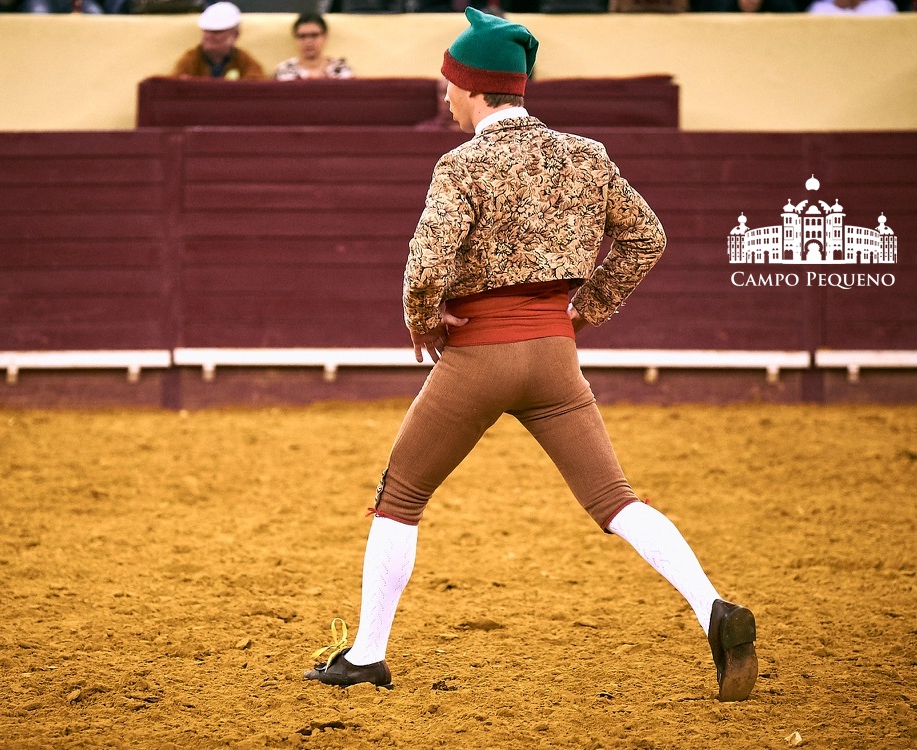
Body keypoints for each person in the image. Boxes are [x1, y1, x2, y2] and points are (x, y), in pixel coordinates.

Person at [304, 7, 759, 704]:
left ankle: (366, 655)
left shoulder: (461, 164)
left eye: (449, 86)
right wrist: (588, 308)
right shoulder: (587, 154)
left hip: (478, 356)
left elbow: (426, 260)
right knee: (615, 501)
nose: (446, 97)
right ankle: (711, 607)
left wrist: (423, 318)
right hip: (554, 353)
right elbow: (649, 238)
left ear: (472, 89)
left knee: (400, 499)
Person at [171, 2, 266, 81]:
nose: (208, 36)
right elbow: (174, 88)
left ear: (235, 34)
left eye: (217, 32)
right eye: (206, 31)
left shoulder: (244, 62)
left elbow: (258, 87)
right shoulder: (190, 60)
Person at [274, 13, 354, 81]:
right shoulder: (284, 71)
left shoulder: (341, 69)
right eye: (302, 36)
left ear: (325, 37)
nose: (308, 41)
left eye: (314, 35)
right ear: (295, 39)